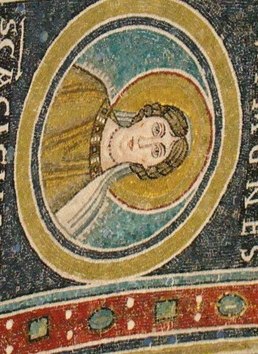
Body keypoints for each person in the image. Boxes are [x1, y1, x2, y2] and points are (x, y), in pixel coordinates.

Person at [40, 65, 189, 239]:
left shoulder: (85, 203)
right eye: (156, 130)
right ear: (147, 115)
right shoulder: (91, 92)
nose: (144, 142)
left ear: (149, 167)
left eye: (156, 151)